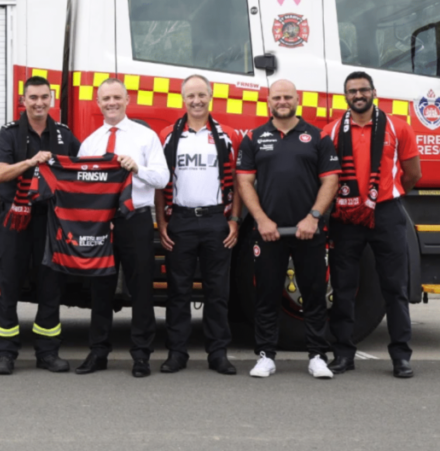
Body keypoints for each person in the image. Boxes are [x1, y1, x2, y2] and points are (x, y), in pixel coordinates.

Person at [236, 79, 340, 379]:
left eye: (288, 97)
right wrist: (261, 220)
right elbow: (244, 181)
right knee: (266, 295)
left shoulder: (317, 137)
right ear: (268, 101)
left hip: (309, 231)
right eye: (277, 97)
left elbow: (330, 180)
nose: (282, 101)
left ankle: (318, 356)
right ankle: (266, 356)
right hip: (269, 233)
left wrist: (314, 217)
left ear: (298, 100)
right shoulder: (254, 137)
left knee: (315, 293)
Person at [322, 72, 420, 379]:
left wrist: (383, 193)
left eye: (363, 89)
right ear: (345, 96)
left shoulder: (397, 126)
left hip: (386, 213)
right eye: (352, 91)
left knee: (395, 288)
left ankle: (401, 357)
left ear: (374, 92)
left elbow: (412, 173)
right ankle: (342, 354)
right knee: (343, 288)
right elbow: (325, 176)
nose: (358, 95)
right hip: (345, 218)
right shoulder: (332, 131)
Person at [77, 78, 169, 378]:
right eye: (106, 99)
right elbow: (81, 184)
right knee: (100, 287)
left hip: (136, 219)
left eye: (117, 97)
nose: (111, 103)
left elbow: (163, 179)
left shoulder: (145, 137)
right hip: (101, 222)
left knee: (141, 287)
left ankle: (141, 355)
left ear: (128, 100)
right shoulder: (90, 142)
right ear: (98, 102)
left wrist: (137, 168)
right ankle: (98, 352)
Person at [0, 76, 80, 375]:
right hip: (14, 218)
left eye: (44, 97)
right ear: (23, 101)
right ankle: (4, 353)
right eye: (33, 98)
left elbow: (84, 173)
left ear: (51, 99)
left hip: (52, 220)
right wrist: (31, 162)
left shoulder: (65, 136)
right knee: (8, 284)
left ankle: (48, 353)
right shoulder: (9, 134)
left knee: (50, 286)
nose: (39, 103)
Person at [155, 75, 241, 376]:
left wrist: (234, 220)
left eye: (201, 95)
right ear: (182, 98)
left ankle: (218, 353)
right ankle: (177, 353)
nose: (196, 101)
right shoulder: (167, 135)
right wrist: (162, 222)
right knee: (178, 291)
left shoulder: (227, 135)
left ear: (211, 95)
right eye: (190, 95)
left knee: (217, 291)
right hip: (180, 220)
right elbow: (158, 182)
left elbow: (240, 184)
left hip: (217, 221)